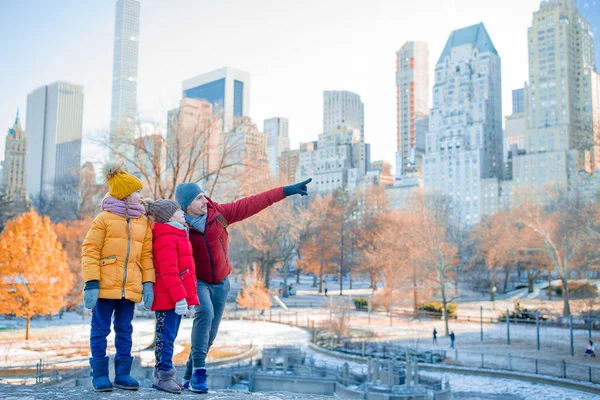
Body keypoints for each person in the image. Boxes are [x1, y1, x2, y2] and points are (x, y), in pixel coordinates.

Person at [175, 178, 312, 393]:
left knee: (210, 334)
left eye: (203, 195)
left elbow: (255, 202)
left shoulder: (218, 214)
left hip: (221, 282)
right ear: (186, 205)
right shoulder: (179, 227)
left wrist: (286, 191)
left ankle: (189, 373)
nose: (205, 200)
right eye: (199, 198)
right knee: (205, 313)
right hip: (198, 281)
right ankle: (200, 373)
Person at [81, 161, 155, 392]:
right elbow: (90, 249)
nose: (141, 196)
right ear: (125, 195)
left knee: (125, 329)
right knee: (100, 329)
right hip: (104, 286)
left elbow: (146, 255)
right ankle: (100, 375)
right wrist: (91, 282)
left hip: (130, 287)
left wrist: (148, 283)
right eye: (137, 192)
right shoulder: (104, 219)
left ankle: (123, 374)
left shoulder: (143, 221)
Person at [146, 200, 200, 394]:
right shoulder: (166, 237)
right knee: (165, 337)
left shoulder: (178, 234)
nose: (182, 213)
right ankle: (163, 375)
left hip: (177, 298)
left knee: (171, 336)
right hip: (168, 299)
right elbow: (169, 272)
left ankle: (166, 374)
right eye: (178, 210)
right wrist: (179, 298)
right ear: (168, 216)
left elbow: (187, 272)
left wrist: (190, 300)